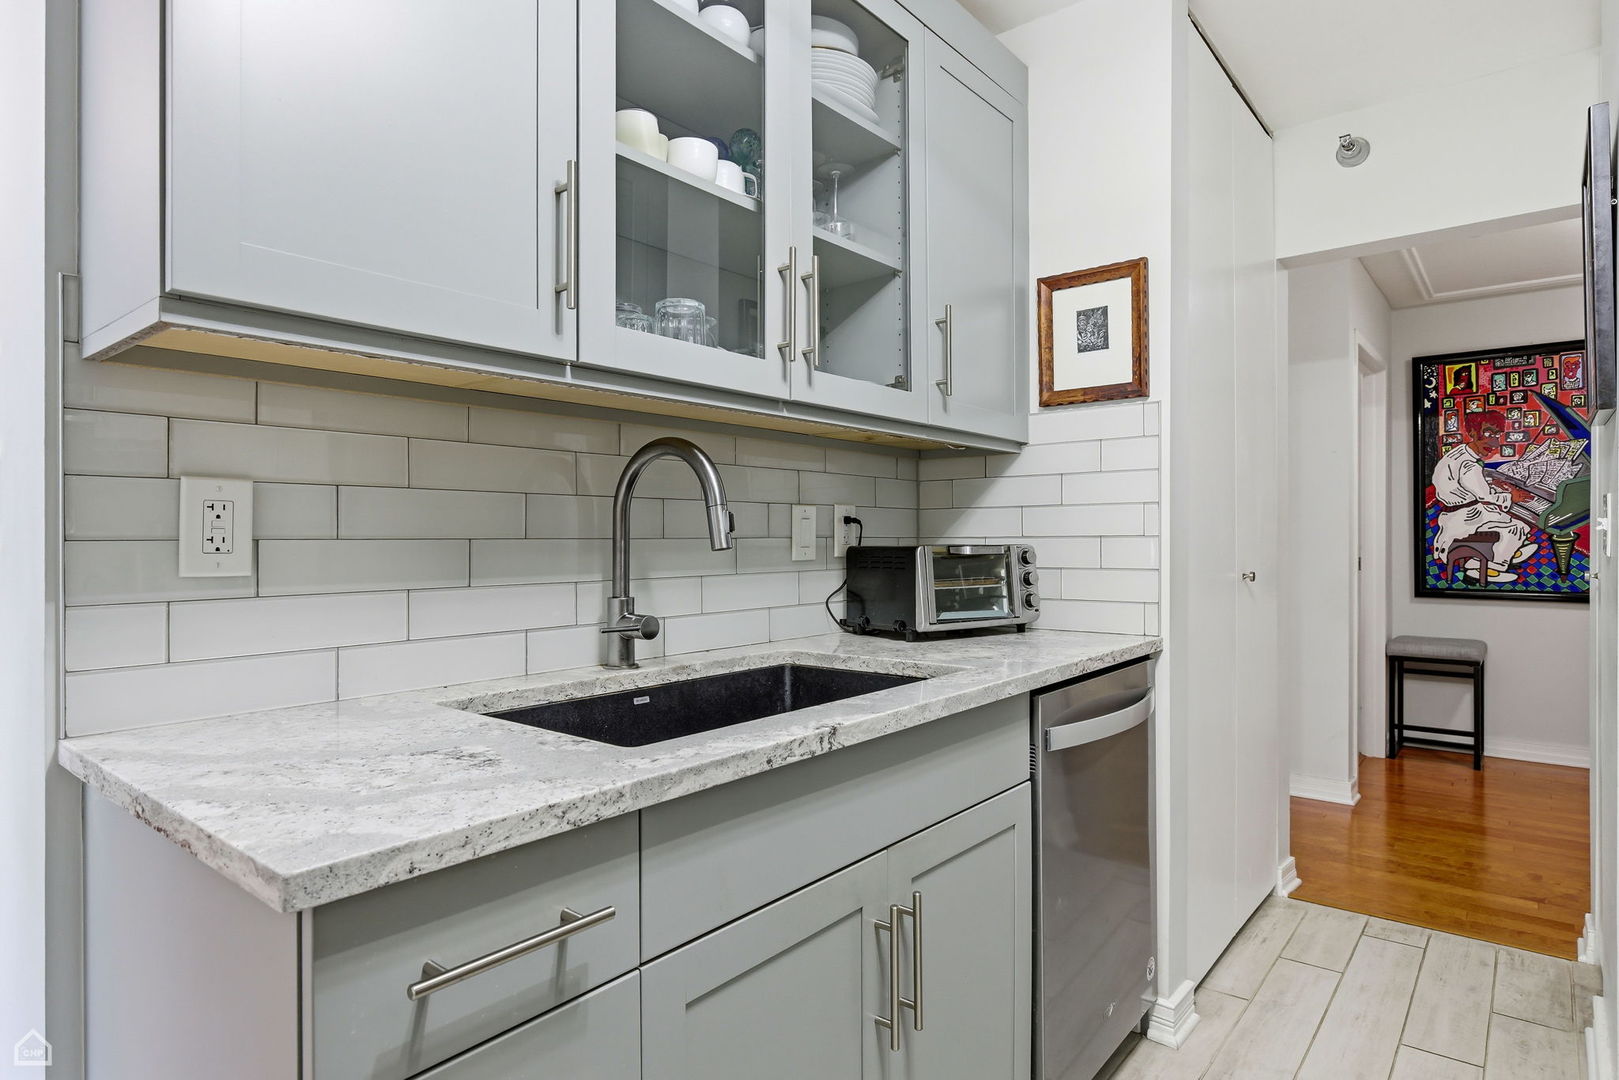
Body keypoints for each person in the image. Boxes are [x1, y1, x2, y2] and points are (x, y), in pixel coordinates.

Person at [1432, 409, 1537, 584]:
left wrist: (1495, 487)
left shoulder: (1460, 453)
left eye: (1498, 435)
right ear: (1473, 432)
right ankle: (1488, 566)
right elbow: (1484, 496)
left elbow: (1471, 488)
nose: (1495, 443)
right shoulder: (1469, 465)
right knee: (1516, 527)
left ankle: (1506, 552)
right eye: (1488, 433)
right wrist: (1511, 496)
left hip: (1461, 511)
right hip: (1464, 518)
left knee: (1516, 524)